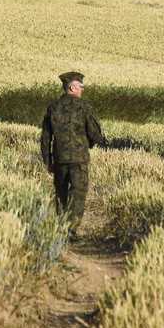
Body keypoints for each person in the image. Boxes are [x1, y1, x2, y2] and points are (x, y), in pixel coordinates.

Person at [40, 71, 105, 237]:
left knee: (61, 193)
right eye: (81, 87)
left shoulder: (53, 108)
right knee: (78, 192)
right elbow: (96, 134)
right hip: (79, 159)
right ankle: (71, 228)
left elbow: (46, 136)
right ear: (72, 88)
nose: (82, 90)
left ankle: (61, 226)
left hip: (59, 159)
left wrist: (48, 160)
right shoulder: (84, 107)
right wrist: (88, 145)